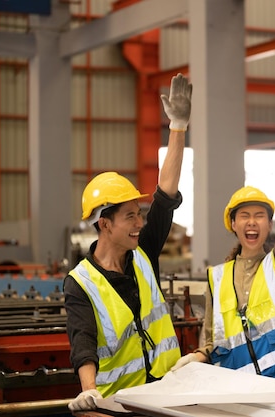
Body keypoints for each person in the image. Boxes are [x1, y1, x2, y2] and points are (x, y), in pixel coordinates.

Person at [170, 95, 275, 384]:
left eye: (259, 216)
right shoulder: (217, 278)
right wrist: (197, 356)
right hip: (240, 396)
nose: (252, 222)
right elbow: (213, 341)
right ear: (232, 223)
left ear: (269, 225)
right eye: (244, 216)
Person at [64, 73, 192, 412]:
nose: (140, 224)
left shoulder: (143, 253)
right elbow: (83, 342)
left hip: (169, 395)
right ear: (105, 224)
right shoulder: (81, 283)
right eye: (130, 217)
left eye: (140, 214)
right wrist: (89, 392)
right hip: (121, 404)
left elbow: (165, 194)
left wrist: (177, 127)